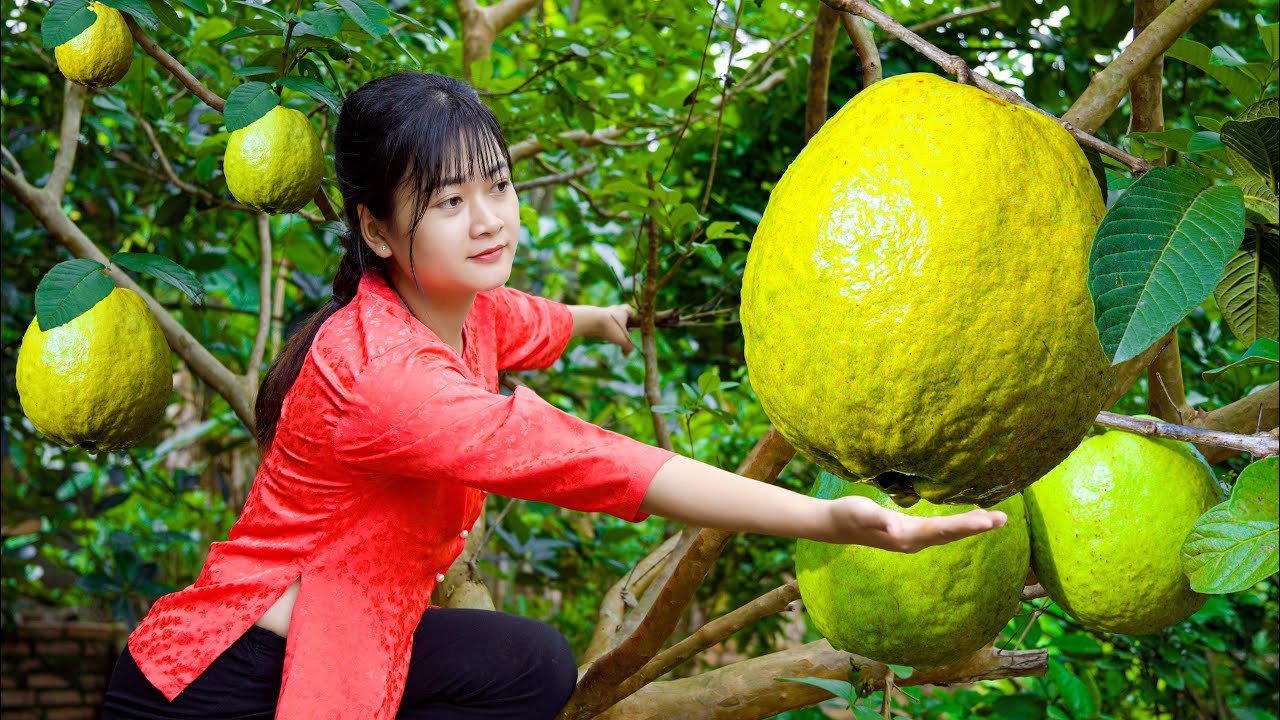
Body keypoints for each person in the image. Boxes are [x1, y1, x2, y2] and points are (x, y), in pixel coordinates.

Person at [101, 71, 1007, 720]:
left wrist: (596, 316)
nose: (489, 218)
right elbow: (597, 463)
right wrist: (836, 520)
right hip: (221, 683)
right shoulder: (384, 374)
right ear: (376, 229)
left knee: (530, 666)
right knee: (524, 667)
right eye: (449, 201)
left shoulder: (465, 309)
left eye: (497, 186)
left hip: (350, 628)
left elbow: (529, 318)